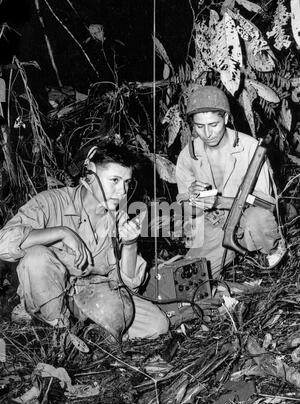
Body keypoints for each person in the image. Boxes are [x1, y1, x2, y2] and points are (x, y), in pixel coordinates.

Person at [0, 142, 169, 339]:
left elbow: (128, 285)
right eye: (114, 180)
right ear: (90, 174)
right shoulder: (52, 202)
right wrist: (62, 232)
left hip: (94, 294)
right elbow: (3, 242)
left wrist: (130, 244)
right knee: (36, 256)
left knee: (157, 324)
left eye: (126, 182)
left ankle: (91, 332)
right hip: (51, 293)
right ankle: (59, 332)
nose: (122, 192)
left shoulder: (118, 219)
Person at [176, 85, 287, 277]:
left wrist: (221, 201)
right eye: (199, 127)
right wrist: (195, 199)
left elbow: (266, 203)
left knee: (258, 219)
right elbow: (187, 210)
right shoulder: (189, 155)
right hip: (213, 225)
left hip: (246, 219)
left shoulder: (250, 148)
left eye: (213, 125)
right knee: (188, 276)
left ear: (226, 118)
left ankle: (271, 249)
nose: (207, 134)